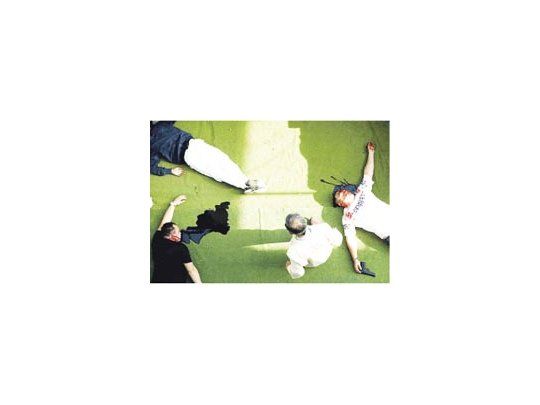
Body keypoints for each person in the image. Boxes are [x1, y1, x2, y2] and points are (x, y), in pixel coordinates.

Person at [150, 121, 265, 193]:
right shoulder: (152, 143)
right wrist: (169, 171)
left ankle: (246, 182)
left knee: (222, 161)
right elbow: (151, 167)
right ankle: (245, 183)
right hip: (189, 154)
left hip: (194, 146)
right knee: (217, 169)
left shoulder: (160, 125)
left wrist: (169, 171)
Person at [333, 141, 389, 274]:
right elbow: (350, 238)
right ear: (340, 204)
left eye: (341, 192)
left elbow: (368, 173)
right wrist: (355, 259)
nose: (341, 194)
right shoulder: (347, 217)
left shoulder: (362, 190)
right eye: (338, 197)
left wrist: (371, 153)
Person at [151, 195, 202, 283]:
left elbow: (164, 224)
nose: (181, 233)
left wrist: (173, 204)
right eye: (178, 232)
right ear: (173, 236)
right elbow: (191, 270)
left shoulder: (157, 240)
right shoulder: (181, 248)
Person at [284, 213, 343, 279]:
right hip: (324, 255)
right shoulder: (323, 227)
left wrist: (289, 267)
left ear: (290, 232)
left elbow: (298, 272)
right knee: (316, 221)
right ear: (305, 222)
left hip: (313, 262)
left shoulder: (293, 251)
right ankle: (313, 221)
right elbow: (337, 239)